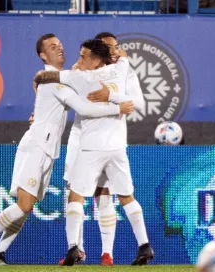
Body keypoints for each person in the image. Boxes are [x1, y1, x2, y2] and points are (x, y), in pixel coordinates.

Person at [0, 33, 134, 266]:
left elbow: (76, 82)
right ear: (43, 55)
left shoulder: (58, 78)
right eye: (52, 47)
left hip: (48, 150)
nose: (59, 49)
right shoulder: (53, 81)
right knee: (24, 205)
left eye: (60, 45)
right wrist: (118, 107)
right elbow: (84, 107)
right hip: (37, 147)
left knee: (26, 208)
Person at [33, 38, 139, 266]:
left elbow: (135, 102)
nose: (78, 58)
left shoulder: (107, 73)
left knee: (103, 195)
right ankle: (77, 249)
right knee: (75, 191)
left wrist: (110, 98)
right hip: (81, 139)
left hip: (105, 141)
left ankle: (106, 253)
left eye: (114, 47)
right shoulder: (85, 71)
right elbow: (64, 100)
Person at [60, 32, 151, 266]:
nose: (79, 61)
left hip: (92, 147)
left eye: (83, 57)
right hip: (116, 146)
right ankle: (144, 245)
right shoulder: (121, 68)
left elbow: (58, 79)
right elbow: (124, 62)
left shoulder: (82, 79)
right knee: (126, 196)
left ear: (96, 59)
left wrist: (108, 95)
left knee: (76, 195)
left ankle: (73, 248)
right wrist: (115, 98)